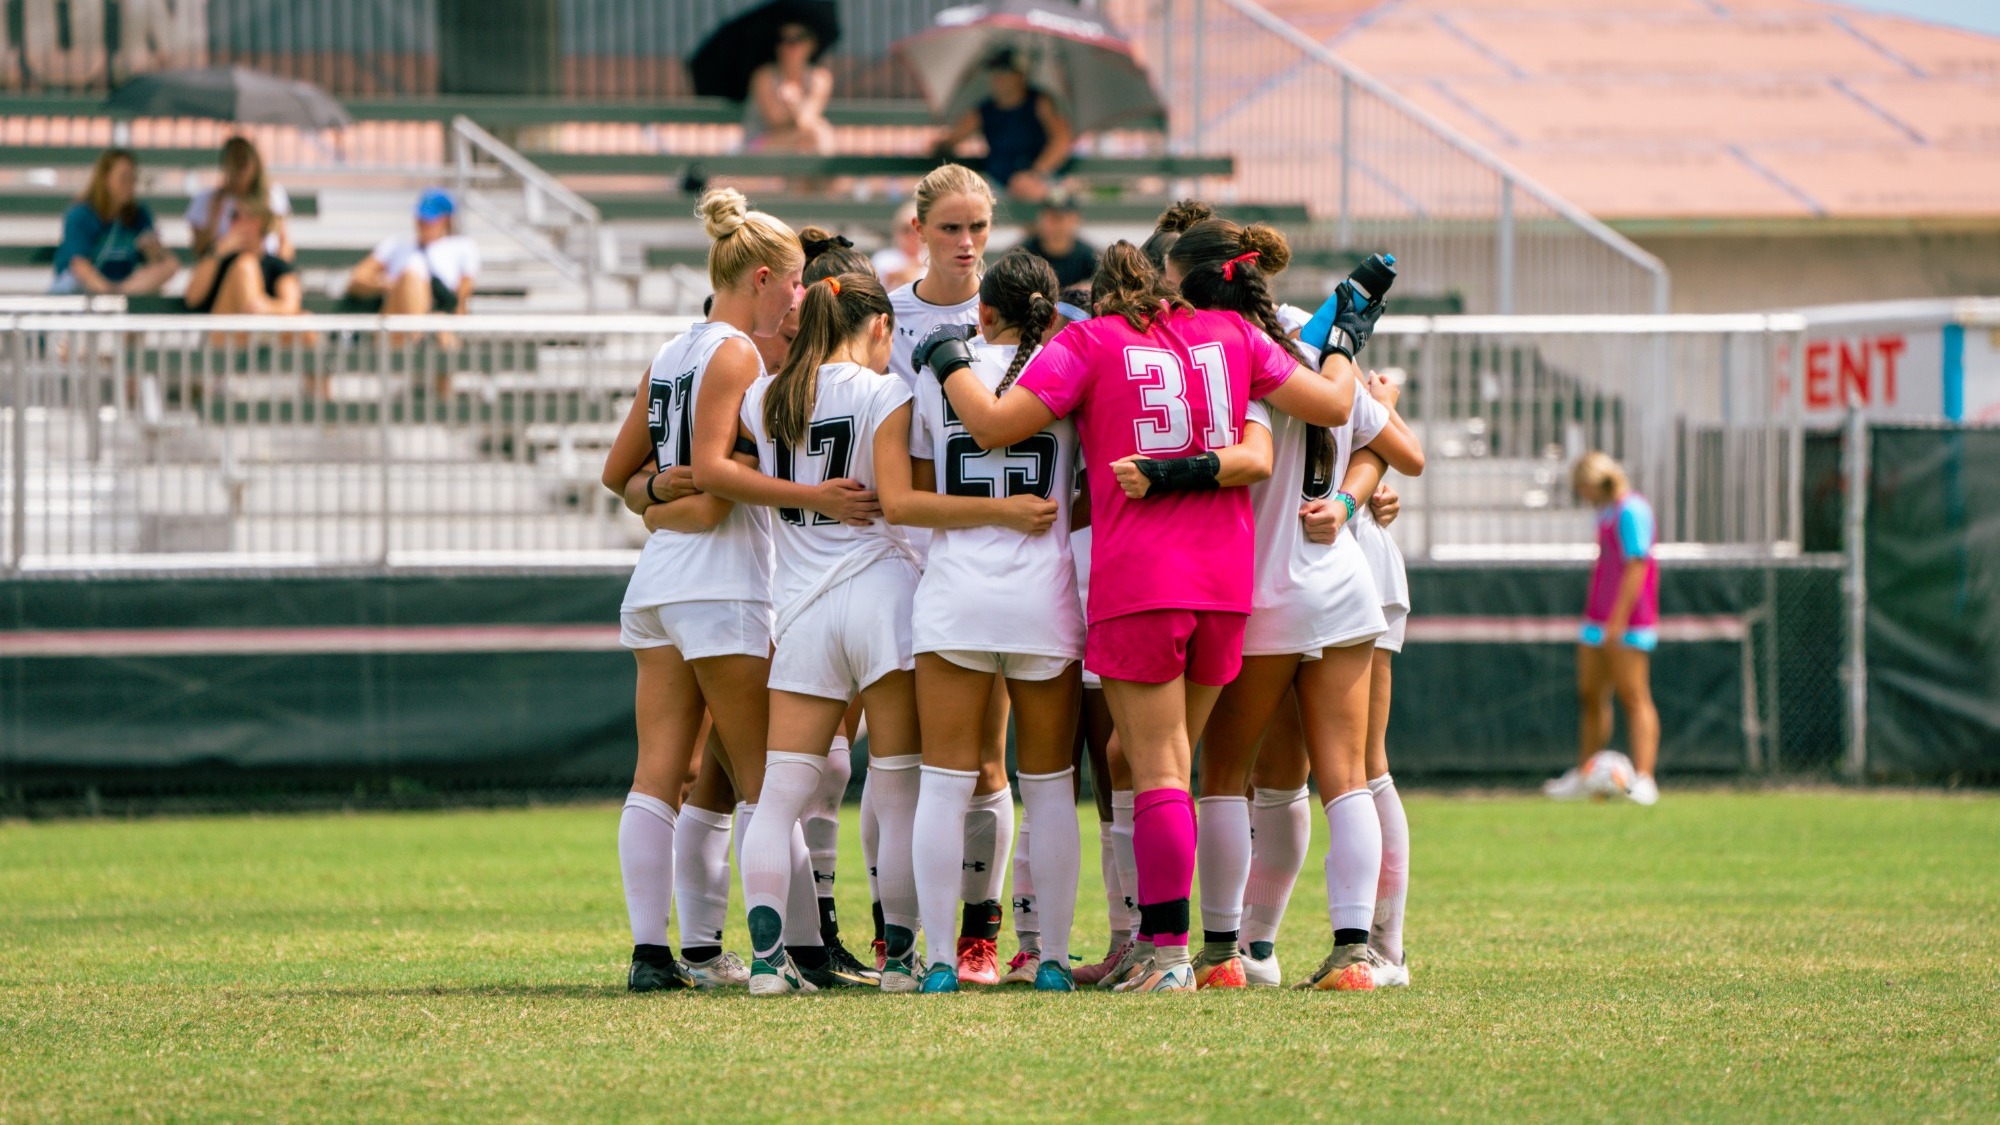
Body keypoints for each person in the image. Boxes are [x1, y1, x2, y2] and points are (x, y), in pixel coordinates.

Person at [932, 241, 1365, 992]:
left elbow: (996, 425)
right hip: (1227, 579)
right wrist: (1348, 340)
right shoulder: (1231, 335)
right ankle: (1180, 944)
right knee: (1172, 767)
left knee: (1157, 769)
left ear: (1101, 297)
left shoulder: (1090, 340)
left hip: (1142, 577)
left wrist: (944, 359)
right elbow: (1332, 405)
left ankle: (1166, 951)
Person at [1151, 221, 1421, 993]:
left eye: (1172, 280)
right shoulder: (1309, 342)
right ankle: (1354, 953)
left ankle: (1226, 951)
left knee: (1224, 774)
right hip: (1339, 584)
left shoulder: (1218, 354)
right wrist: (1344, 340)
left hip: (1265, 591)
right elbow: (1381, 435)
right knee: (1347, 777)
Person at [597, 187, 812, 993]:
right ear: (761, 276)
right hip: (722, 588)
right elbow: (720, 495)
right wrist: (683, 498)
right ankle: (783, 954)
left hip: (658, 589)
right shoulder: (735, 355)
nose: (798, 297)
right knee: (767, 778)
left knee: (658, 775)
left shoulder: (672, 351)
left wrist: (655, 502)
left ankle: (654, 955)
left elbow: (619, 478)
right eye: (792, 282)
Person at [696, 270, 926, 995]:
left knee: (777, 795)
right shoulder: (886, 391)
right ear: (879, 327)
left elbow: (720, 469)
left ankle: (768, 965)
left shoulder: (767, 395)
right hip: (881, 595)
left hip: (800, 608)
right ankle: (900, 961)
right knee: (898, 788)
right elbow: (899, 504)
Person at [887, 249, 1084, 993]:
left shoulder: (944, 375)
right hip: (1044, 599)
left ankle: (939, 958)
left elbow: (920, 487)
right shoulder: (1068, 369)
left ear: (985, 311)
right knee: (1051, 786)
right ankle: (1054, 957)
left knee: (943, 782)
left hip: (956, 596)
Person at [881, 163, 1016, 984]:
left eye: (977, 228)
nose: (966, 245)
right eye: (950, 229)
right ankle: (893, 931)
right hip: (900, 552)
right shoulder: (887, 316)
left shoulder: (1013, 313)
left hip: (990, 559)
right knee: (901, 760)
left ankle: (981, 936)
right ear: (921, 230)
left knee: (988, 761)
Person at [1547, 452, 1662, 807]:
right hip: (1596, 619)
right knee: (1591, 695)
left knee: (1633, 695)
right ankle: (1586, 774)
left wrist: (1617, 620)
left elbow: (1637, 565)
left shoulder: (1632, 509)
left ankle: (1644, 778)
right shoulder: (1606, 512)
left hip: (1628, 621)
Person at [930, 47, 1074, 203]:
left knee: (1051, 200)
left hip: (1039, 181)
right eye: (995, 70)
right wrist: (940, 146)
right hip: (998, 183)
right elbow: (952, 139)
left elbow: (1061, 141)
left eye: (1005, 71)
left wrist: (1035, 174)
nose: (998, 77)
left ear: (1020, 75)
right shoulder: (985, 111)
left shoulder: (1040, 103)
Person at [51, 149, 178, 296]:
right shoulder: (81, 214)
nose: (129, 184)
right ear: (105, 178)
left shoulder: (138, 214)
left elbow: (165, 263)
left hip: (123, 286)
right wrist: (106, 292)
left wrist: (154, 250)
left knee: (168, 266)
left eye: (133, 178)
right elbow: (79, 265)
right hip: (86, 286)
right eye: (124, 178)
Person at [342, 189, 479, 316]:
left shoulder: (463, 247)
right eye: (420, 217)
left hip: (438, 320)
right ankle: (418, 334)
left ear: (446, 220)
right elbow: (358, 278)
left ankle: (421, 333)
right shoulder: (396, 244)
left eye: (429, 219)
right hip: (395, 318)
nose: (422, 223)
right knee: (411, 275)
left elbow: (462, 299)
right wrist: (388, 285)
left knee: (413, 277)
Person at [181, 203, 301, 316]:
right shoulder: (219, 261)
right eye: (233, 216)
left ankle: (258, 332)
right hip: (224, 333)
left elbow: (291, 305)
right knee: (245, 264)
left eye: (236, 216)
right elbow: (192, 299)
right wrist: (217, 251)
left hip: (261, 330)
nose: (231, 222)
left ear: (258, 222)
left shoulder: (276, 265)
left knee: (305, 322)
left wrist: (266, 307)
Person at [186, 137, 291, 261]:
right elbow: (200, 251)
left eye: (244, 159)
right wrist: (216, 225)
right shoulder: (207, 199)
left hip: (265, 263)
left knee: (287, 280)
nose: (240, 166)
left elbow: (284, 245)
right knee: (245, 265)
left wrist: (279, 267)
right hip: (226, 263)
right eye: (235, 160)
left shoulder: (272, 196)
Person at [744, 21, 834, 155]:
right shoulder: (764, 76)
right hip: (758, 149)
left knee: (817, 135)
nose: (791, 45)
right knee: (817, 135)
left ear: (812, 44)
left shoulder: (820, 78)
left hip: (800, 146)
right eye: (784, 39)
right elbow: (775, 121)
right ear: (777, 46)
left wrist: (794, 103)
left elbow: (806, 120)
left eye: (799, 38)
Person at [1018, 193, 1097, 288]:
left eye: (1059, 218)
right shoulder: (1023, 255)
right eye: (1049, 218)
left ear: (1074, 219)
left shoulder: (1089, 257)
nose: (1054, 225)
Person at [872, 201, 924, 292]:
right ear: (896, 231)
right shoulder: (883, 258)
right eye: (906, 229)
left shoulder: (933, 258)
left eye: (917, 228)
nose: (912, 234)